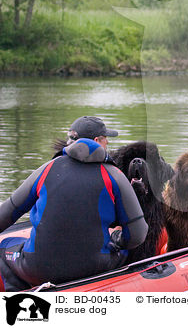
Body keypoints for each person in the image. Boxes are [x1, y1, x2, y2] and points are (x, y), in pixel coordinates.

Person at [0, 116, 148, 291]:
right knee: (125, 249)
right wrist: (118, 240)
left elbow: (6, 215)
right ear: (97, 141)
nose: (108, 142)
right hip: (96, 266)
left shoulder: (46, 169)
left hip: (37, 267)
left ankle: (20, 298)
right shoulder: (114, 175)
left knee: (4, 247)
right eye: (106, 138)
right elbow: (138, 234)